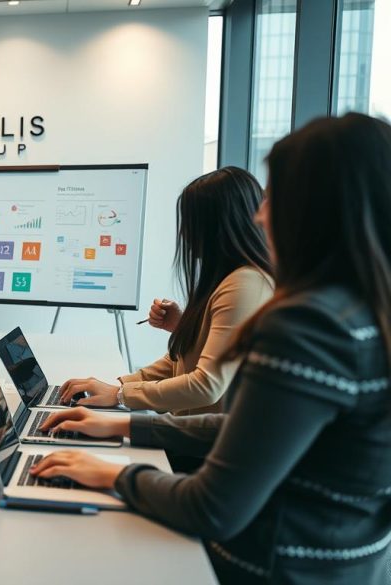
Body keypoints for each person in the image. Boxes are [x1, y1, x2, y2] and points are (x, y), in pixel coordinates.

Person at [32, 114, 391, 584]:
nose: (262, 216)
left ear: (316, 207)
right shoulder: (363, 314)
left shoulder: (307, 327)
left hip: (272, 567)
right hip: (346, 565)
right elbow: (252, 429)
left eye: (275, 197)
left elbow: (211, 507)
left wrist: (110, 474)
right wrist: (121, 422)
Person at [59, 167, 274, 415]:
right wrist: (119, 386)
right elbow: (177, 364)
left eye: (191, 223)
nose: (184, 233)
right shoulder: (228, 279)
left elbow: (206, 386)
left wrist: (119, 394)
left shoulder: (245, 283)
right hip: (185, 433)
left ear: (218, 226)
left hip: (199, 445)